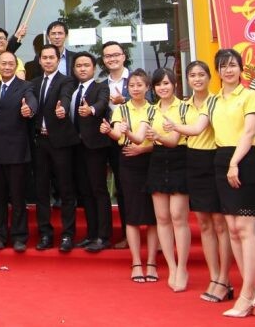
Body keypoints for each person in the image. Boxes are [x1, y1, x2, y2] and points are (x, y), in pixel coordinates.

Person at [163, 61, 233, 303]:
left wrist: (175, 126)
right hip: (192, 161)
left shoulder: (217, 101)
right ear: (187, 79)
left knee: (220, 223)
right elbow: (174, 138)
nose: (197, 79)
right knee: (203, 223)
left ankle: (224, 279)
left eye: (201, 74)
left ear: (210, 77)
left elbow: (196, 129)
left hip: (215, 160)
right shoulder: (183, 106)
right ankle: (214, 277)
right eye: (192, 75)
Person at [209, 48, 255, 318]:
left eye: (233, 65)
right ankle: (251, 292)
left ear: (241, 69)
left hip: (243, 162)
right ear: (217, 71)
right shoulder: (214, 100)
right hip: (221, 161)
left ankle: (247, 294)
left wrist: (234, 163)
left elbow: (249, 132)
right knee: (232, 229)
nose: (228, 70)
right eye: (223, 66)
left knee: (245, 228)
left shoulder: (249, 95)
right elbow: (198, 127)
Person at [100, 68, 157, 283]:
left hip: (149, 161)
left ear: (147, 87)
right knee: (132, 214)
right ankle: (136, 262)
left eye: (139, 85)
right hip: (128, 160)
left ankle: (151, 262)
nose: (135, 89)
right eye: (131, 85)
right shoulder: (121, 109)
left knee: (152, 216)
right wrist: (109, 130)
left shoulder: (153, 109)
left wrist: (130, 136)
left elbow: (143, 138)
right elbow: (117, 134)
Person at [146, 68, 192, 292]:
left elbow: (174, 140)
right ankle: (172, 267)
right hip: (157, 160)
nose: (162, 87)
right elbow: (141, 137)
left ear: (174, 84)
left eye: (166, 83)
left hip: (179, 159)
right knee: (162, 218)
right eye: (158, 84)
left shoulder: (184, 107)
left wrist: (158, 136)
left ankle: (182, 267)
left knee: (177, 216)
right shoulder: (151, 110)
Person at [0, 51, 37, 252]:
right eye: (3, 64)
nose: (7, 67)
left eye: (10, 64)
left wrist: (29, 109)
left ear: (16, 66)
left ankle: (19, 237)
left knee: (17, 198)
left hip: (17, 151)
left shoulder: (26, 86)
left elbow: (32, 101)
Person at [30, 44, 78, 252]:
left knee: (66, 190)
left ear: (58, 60)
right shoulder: (34, 83)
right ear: (40, 60)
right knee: (41, 190)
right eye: (45, 57)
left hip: (61, 143)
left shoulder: (66, 80)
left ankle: (67, 235)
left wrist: (63, 108)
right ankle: (45, 234)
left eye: (52, 57)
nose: (48, 61)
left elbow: (66, 96)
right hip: (39, 142)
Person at [72, 51, 113, 252]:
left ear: (94, 68)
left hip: (95, 147)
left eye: (86, 65)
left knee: (98, 190)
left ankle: (103, 236)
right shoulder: (72, 89)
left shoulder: (101, 87)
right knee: (85, 192)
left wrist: (91, 110)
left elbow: (103, 103)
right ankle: (91, 234)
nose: (82, 69)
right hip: (76, 147)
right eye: (78, 66)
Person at [100, 40, 131, 247]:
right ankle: (127, 234)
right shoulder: (101, 85)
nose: (112, 59)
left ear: (123, 56)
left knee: (135, 188)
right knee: (120, 188)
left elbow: (149, 103)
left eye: (116, 55)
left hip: (134, 140)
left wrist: (124, 100)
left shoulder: (135, 79)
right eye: (108, 56)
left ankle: (152, 234)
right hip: (110, 142)